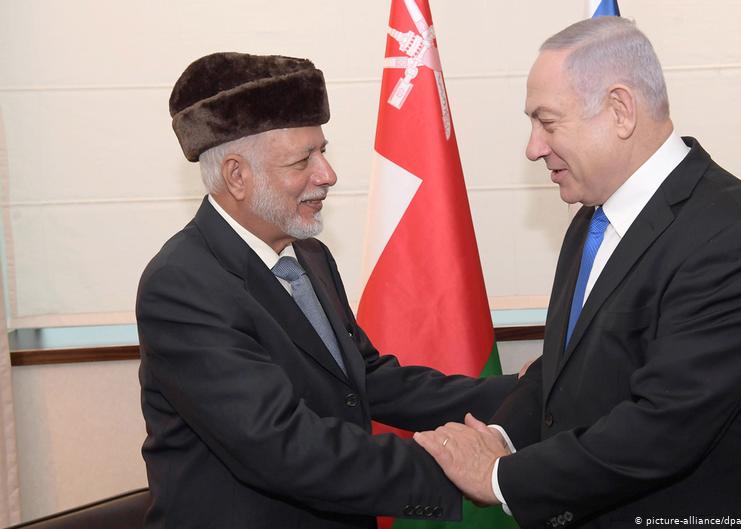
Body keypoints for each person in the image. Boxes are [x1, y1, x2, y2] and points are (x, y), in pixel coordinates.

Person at [414, 17, 741, 529]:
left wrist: (499, 477)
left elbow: (665, 427)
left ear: (620, 110)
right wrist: (503, 436)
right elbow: (568, 372)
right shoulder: (591, 219)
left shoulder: (733, 236)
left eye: (548, 122)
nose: (532, 147)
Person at [136, 51, 515, 529]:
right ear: (237, 176)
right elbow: (283, 446)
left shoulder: (308, 254)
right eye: (303, 161)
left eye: (323, 150)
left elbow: (365, 380)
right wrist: (474, 471)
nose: (328, 174)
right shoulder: (182, 286)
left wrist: (523, 398)